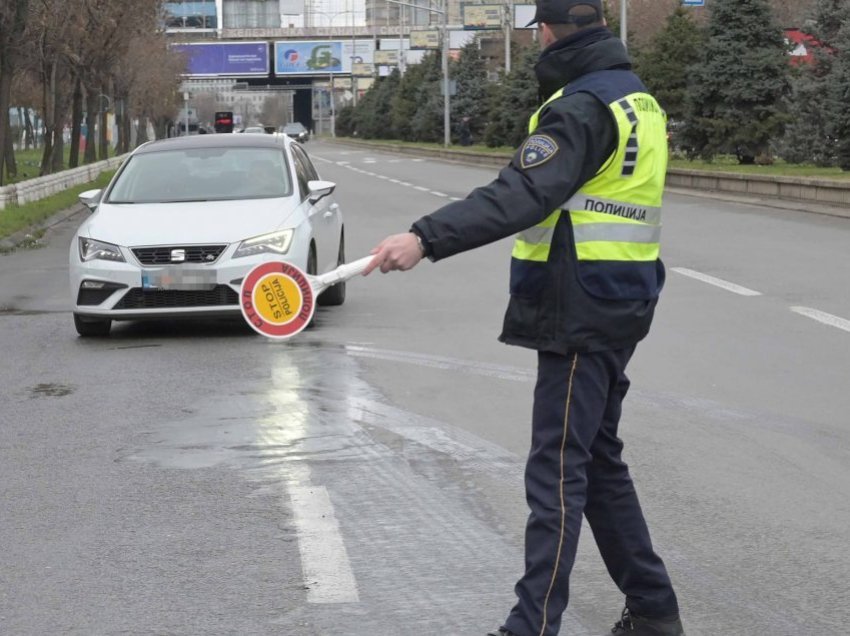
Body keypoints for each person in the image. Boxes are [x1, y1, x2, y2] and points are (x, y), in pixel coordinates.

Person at [363, 0, 684, 635]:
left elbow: (522, 192)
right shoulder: (635, 98)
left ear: (546, 30)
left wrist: (424, 238)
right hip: (624, 294)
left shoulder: (579, 106)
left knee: (558, 468)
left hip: (579, 304)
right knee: (595, 459)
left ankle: (531, 627)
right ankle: (652, 609)